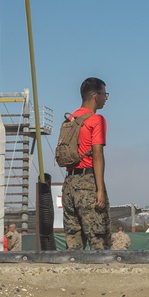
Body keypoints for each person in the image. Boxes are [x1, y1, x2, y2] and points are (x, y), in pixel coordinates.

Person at [62, 77, 111, 250]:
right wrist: (99, 190)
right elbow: (97, 154)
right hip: (87, 182)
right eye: (105, 94)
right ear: (95, 96)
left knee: (73, 239)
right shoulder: (96, 120)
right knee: (99, 239)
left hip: (69, 184)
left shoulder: (71, 119)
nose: (106, 98)